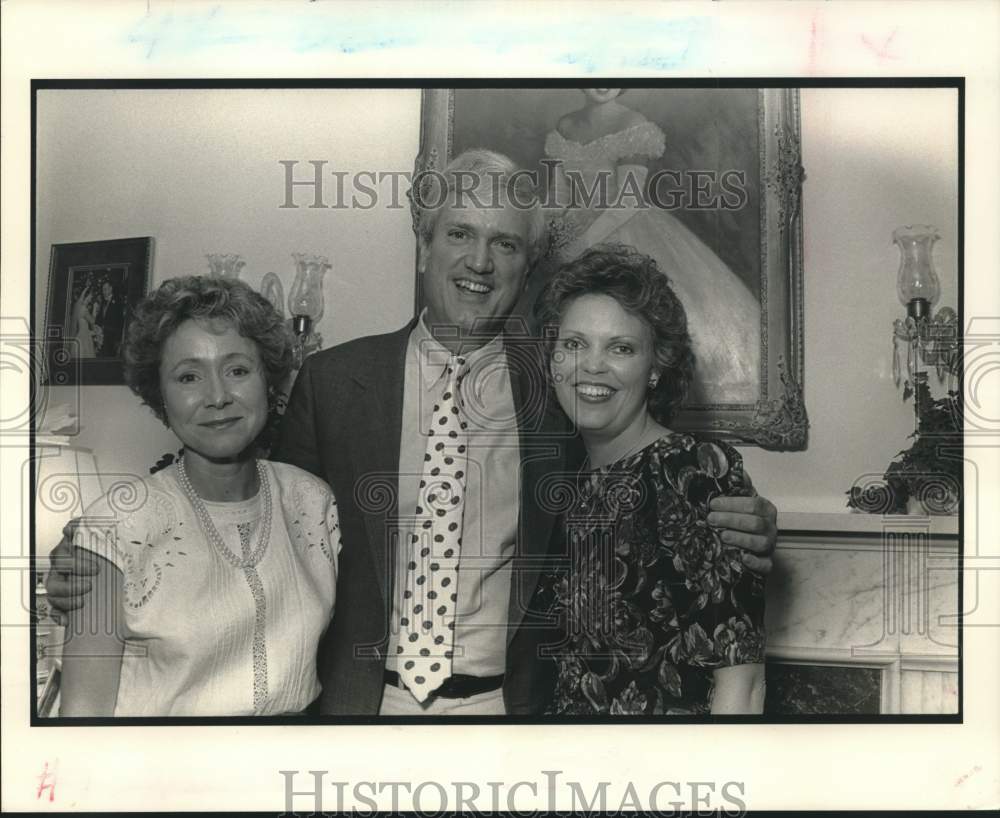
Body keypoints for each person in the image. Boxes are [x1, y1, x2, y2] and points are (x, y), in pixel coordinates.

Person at [47, 149, 778, 717]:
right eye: (460, 233)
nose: (480, 262)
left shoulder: (560, 390)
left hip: (508, 714)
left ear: (530, 263)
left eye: (506, 244)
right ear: (423, 240)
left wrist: (738, 522)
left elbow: (640, 481)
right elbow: (249, 500)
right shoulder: (333, 382)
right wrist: (97, 563)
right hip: (361, 709)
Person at [57, 276, 341, 716]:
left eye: (238, 370)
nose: (217, 397)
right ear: (160, 396)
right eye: (188, 376)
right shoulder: (116, 524)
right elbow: (82, 717)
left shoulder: (312, 502)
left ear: (268, 381)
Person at [535, 243, 765, 715]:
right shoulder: (559, 480)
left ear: (656, 366)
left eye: (620, 348)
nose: (592, 366)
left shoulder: (693, 470)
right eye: (574, 344)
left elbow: (740, 679)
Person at [534, 88, 760, 405]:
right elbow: (557, 195)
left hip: (623, 227)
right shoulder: (566, 125)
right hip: (572, 231)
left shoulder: (632, 122)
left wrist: (583, 242)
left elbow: (627, 201)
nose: (603, 84)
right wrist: (549, 229)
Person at [95, 278, 125, 358]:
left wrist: (118, 340)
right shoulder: (103, 302)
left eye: (105, 289)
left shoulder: (117, 302)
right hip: (103, 337)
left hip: (112, 338)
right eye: (103, 290)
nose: (103, 292)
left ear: (111, 289)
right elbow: (99, 318)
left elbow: (120, 321)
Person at [68, 285, 99, 359]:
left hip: (80, 335)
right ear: (86, 296)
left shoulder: (79, 308)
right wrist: (95, 310)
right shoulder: (84, 309)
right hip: (85, 336)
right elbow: (92, 321)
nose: (91, 298)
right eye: (90, 296)